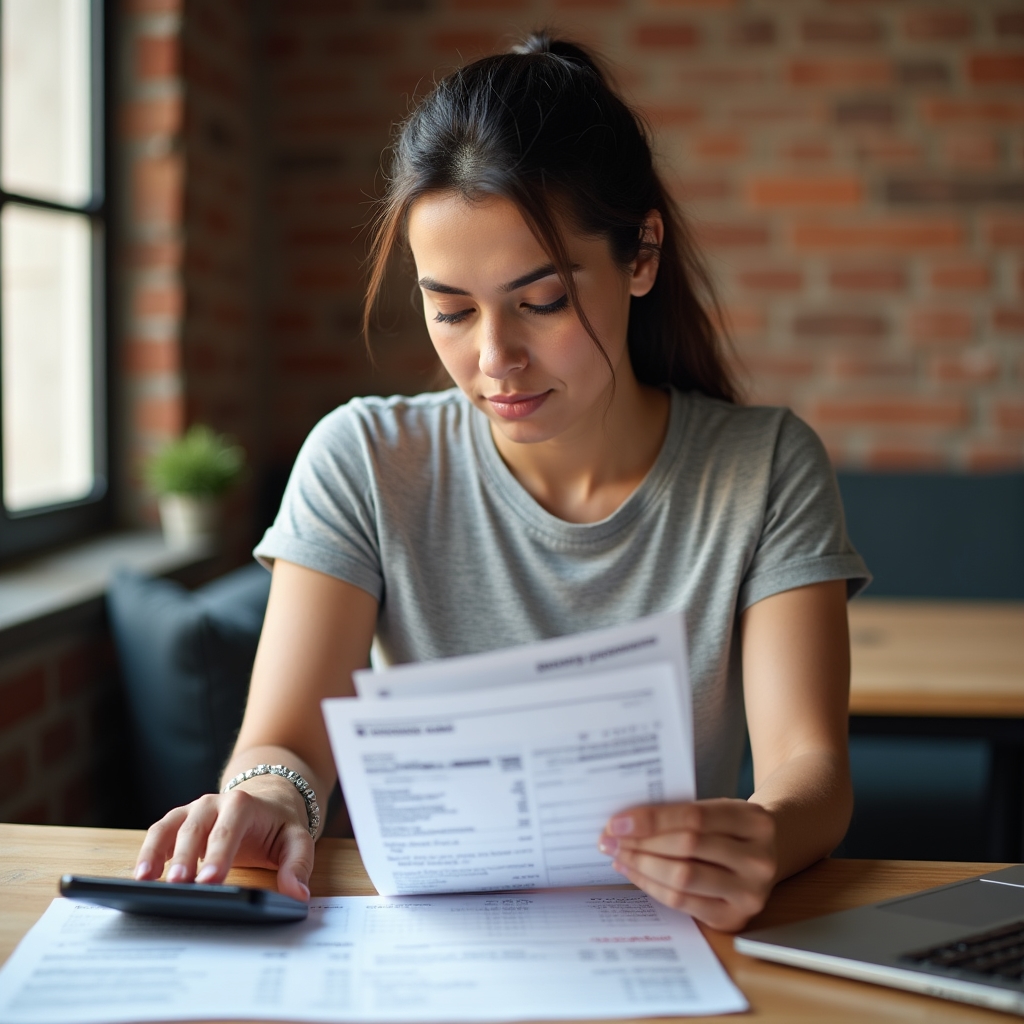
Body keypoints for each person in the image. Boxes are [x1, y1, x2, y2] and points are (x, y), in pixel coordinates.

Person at [134, 34, 869, 932]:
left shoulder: (764, 468)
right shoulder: (363, 460)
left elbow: (811, 774)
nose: (493, 361)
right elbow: (283, 743)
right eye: (449, 310)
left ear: (642, 256)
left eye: (543, 302)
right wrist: (275, 797)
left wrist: (767, 835)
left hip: (667, 940)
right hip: (428, 945)